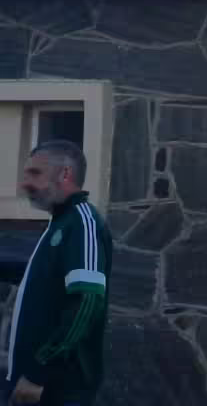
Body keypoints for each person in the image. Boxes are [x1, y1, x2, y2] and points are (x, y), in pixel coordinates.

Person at [5, 140, 112, 406]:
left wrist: (38, 372)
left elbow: (86, 301)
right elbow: (42, 278)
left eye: (35, 173)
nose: (24, 184)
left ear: (65, 174)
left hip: (59, 389)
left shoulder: (82, 223)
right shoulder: (61, 222)